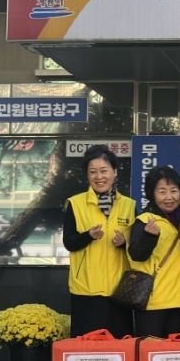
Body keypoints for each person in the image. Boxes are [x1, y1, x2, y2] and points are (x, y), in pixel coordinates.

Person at [62, 144, 136, 337]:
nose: (99, 177)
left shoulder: (130, 206)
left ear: (114, 172)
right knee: (88, 346)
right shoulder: (75, 204)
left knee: (119, 346)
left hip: (120, 291)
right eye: (93, 172)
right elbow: (69, 242)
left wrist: (124, 244)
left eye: (104, 170)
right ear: (87, 175)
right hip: (86, 290)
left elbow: (138, 249)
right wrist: (88, 236)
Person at [127, 166, 180, 337]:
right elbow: (136, 254)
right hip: (153, 301)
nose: (169, 197)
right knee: (150, 350)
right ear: (152, 194)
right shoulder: (145, 220)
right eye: (162, 192)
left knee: (172, 352)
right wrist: (149, 236)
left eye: (174, 191)